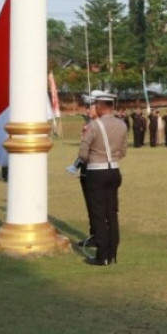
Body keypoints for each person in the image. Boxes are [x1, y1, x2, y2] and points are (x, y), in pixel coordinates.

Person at [78, 90, 128, 266]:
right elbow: (123, 151)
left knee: (99, 214)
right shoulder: (122, 124)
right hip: (114, 170)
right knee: (111, 213)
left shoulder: (94, 125)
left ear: (99, 106)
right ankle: (112, 253)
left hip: (96, 171)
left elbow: (83, 152)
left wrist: (90, 159)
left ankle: (102, 255)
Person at [74, 97, 98, 247]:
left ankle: (98, 235)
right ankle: (94, 234)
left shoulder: (97, 126)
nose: (88, 111)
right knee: (90, 204)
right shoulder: (88, 125)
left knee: (95, 204)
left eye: (91, 108)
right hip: (85, 167)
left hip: (94, 168)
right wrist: (76, 164)